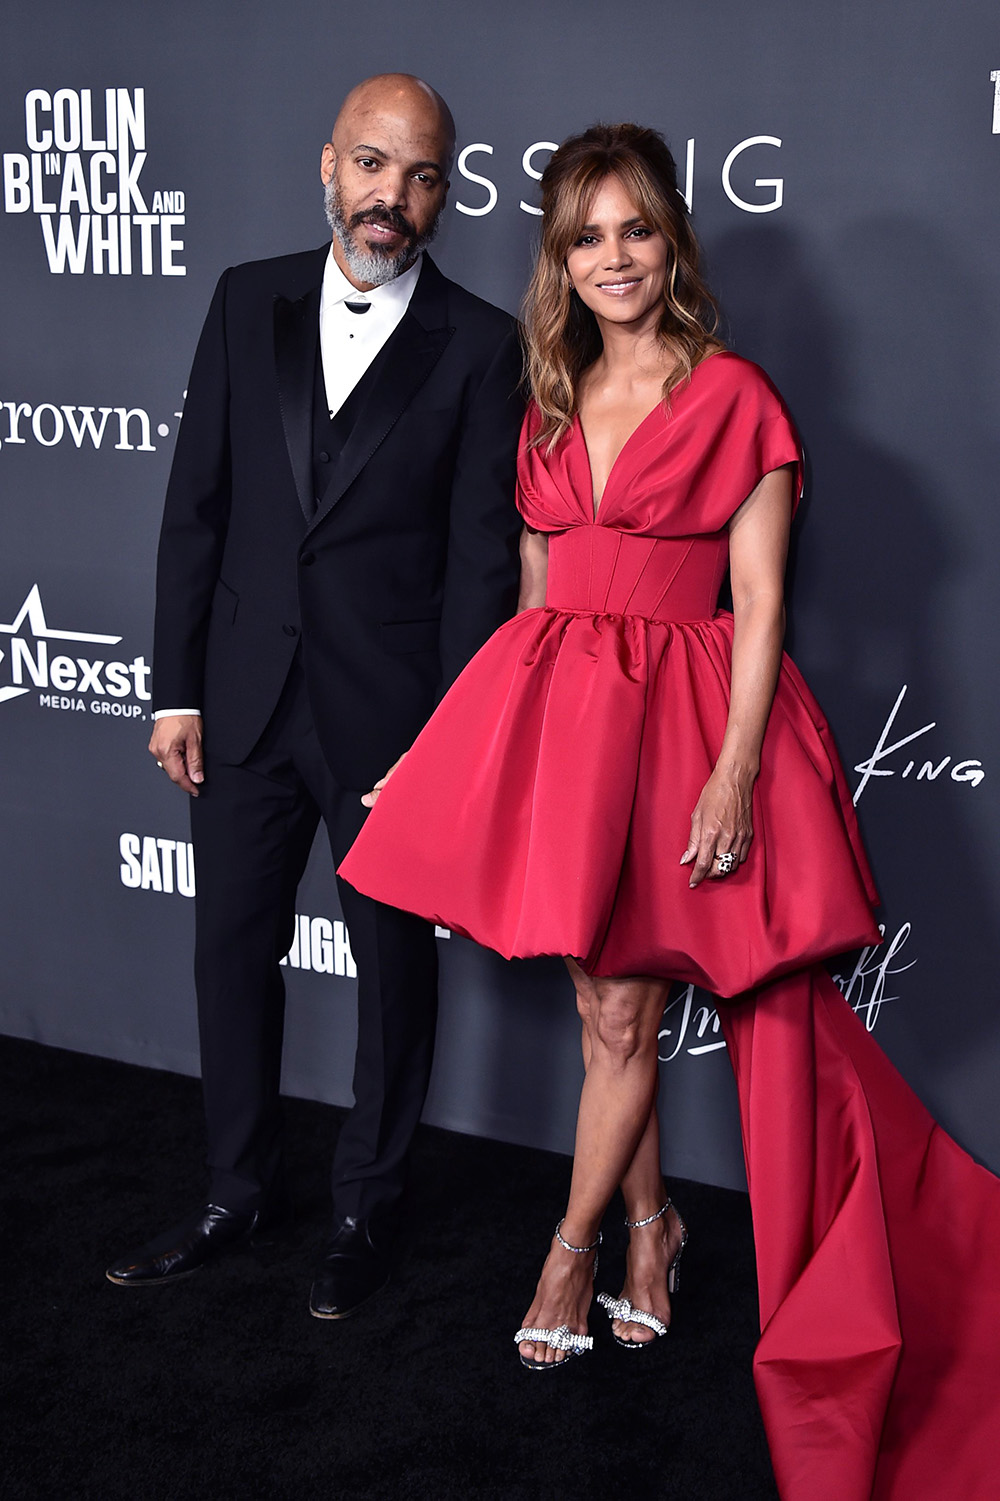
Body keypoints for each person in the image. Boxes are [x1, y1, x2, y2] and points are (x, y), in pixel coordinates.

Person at [340, 125, 1000, 1496]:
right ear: (559, 262)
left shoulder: (736, 394)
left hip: (684, 725)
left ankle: (569, 1252)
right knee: (604, 1008)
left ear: (672, 242)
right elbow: (529, 606)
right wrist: (461, 757)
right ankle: (657, 1230)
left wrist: (737, 766)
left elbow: (759, 604)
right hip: (565, 720)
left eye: (637, 228)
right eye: (586, 237)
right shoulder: (551, 398)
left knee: (626, 1014)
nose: (615, 258)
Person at [105, 74, 523, 1319]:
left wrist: (443, 749)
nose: (394, 195)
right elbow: (198, 509)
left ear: (446, 193)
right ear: (328, 168)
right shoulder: (246, 300)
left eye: (424, 175)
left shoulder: (484, 343)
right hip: (235, 701)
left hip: (387, 724)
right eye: (374, 165)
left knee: (393, 972)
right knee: (230, 948)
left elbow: (478, 568)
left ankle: (366, 1208)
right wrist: (174, 686)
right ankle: (238, 1189)